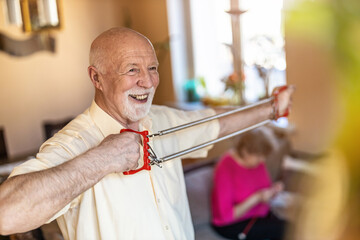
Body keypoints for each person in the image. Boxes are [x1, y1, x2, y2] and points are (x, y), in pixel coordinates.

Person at [0, 27, 294, 240]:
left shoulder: (162, 119)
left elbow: (218, 123)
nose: (147, 80)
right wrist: (103, 159)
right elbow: (6, 214)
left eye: (152, 67)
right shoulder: (73, 142)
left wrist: (272, 109)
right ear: (96, 78)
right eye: (131, 69)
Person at [211, 128, 287, 240]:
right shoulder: (225, 167)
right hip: (232, 224)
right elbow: (226, 216)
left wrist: (273, 191)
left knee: (293, 227)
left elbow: (265, 190)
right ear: (245, 151)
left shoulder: (258, 164)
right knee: (283, 230)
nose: (262, 160)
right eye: (259, 156)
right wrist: (257, 197)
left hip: (259, 215)